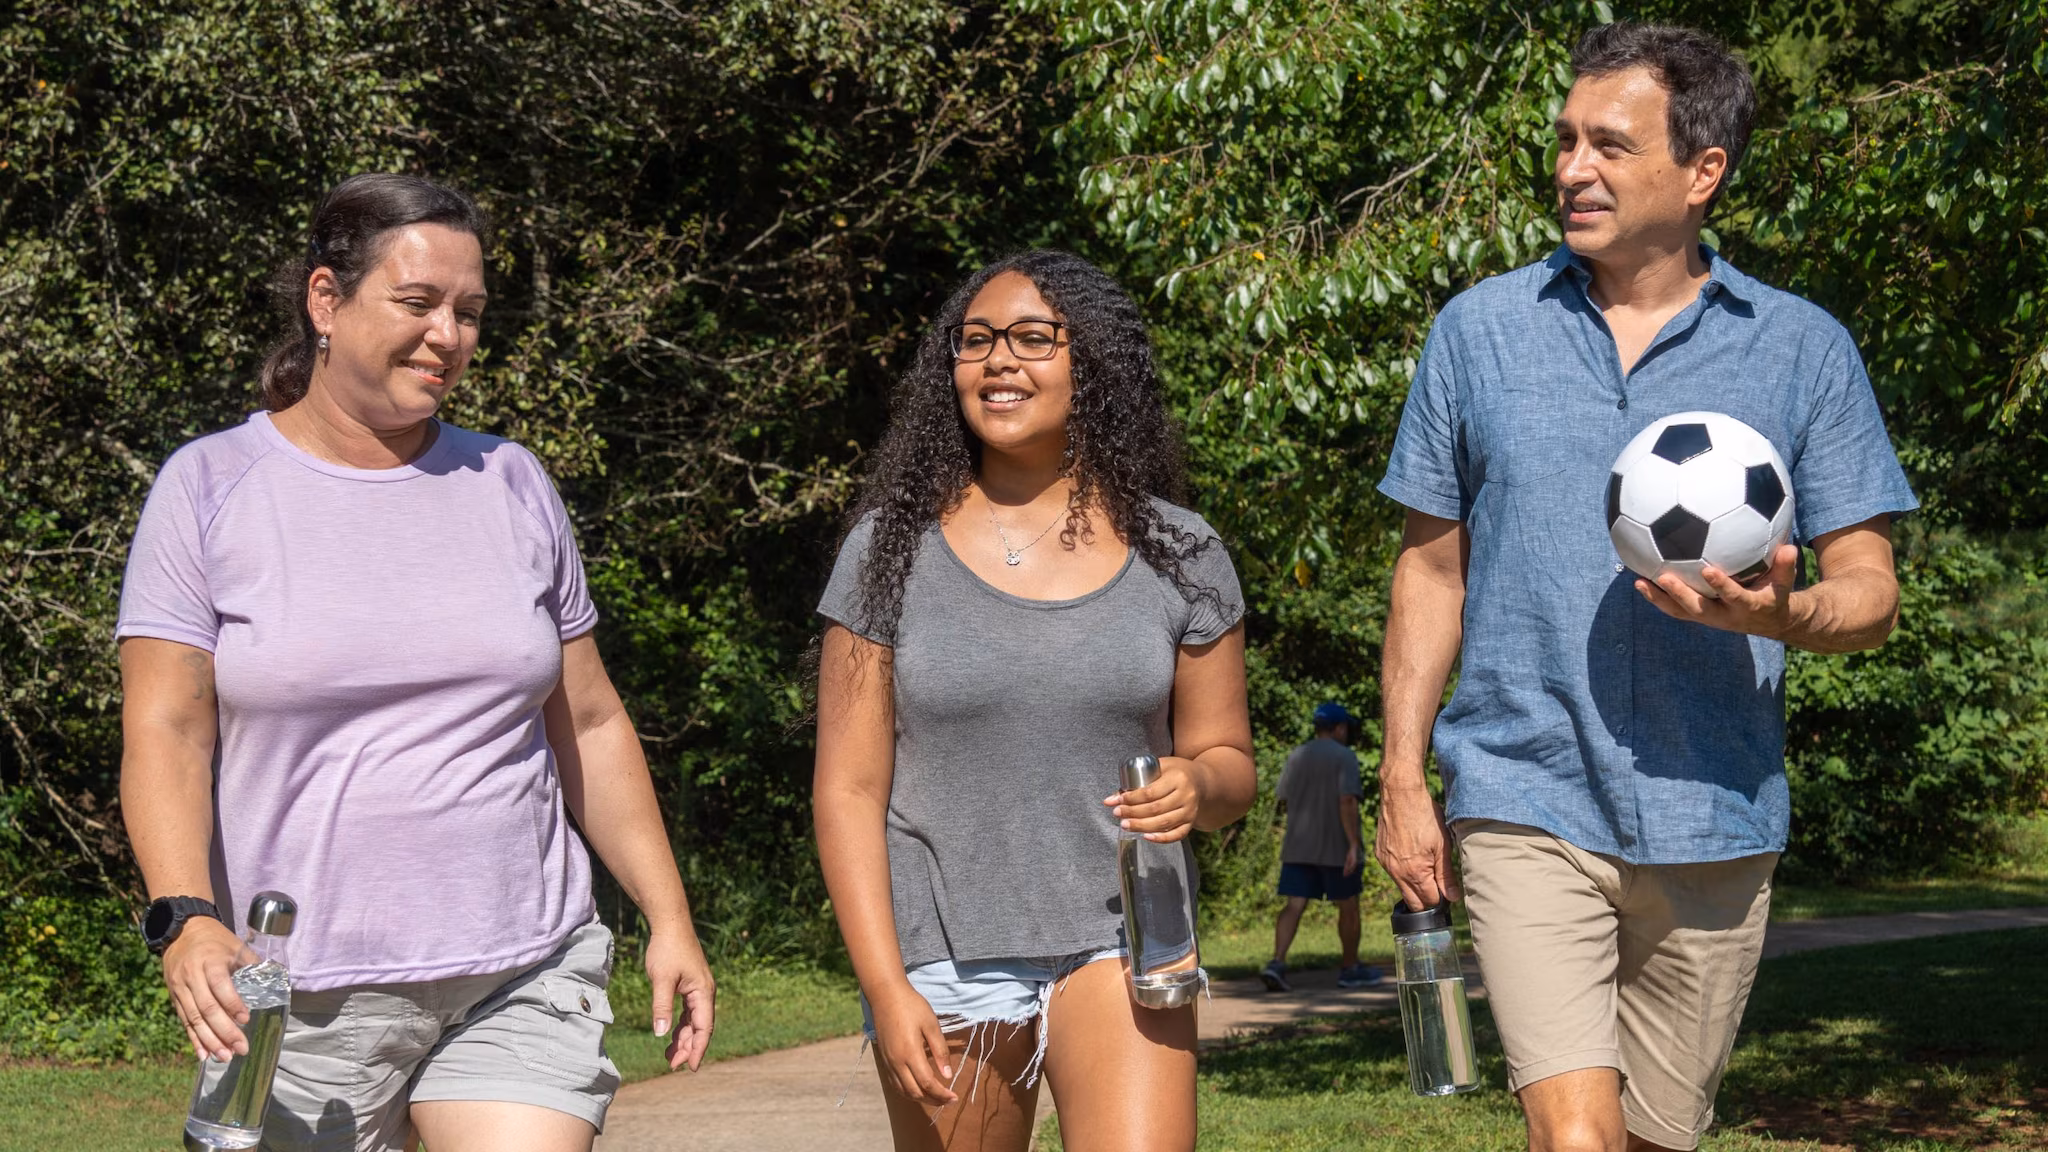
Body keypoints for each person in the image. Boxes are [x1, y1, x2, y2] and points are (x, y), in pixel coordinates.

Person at [1373, 23, 1916, 1152]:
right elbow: (1429, 569)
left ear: (1702, 170)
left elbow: (1869, 590)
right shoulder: (1477, 334)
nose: (1572, 168)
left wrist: (1784, 615)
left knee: (1650, 1140)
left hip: (1713, 812)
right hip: (1520, 791)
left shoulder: (1803, 350)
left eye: (1609, 146)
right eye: (1565, 140)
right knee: (1577, 1137)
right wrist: (1401, 773)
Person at [117, 173, 715, 1152]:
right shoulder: (210, 487)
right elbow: (168, 730)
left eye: (468, 312)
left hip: (523, 965)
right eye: (419, 303)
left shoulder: (510, 481)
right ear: (326, 300)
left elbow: (590, 719)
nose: (449, 336)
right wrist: (186, 916)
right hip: (295, 989)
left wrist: (669, 915)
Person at [812, 249, 1256, 1152]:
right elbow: (847, 790)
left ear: (1093, 363)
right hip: (945, 953)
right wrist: (888, 987)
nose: (997, 361)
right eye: (975, 341)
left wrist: (1198, 786)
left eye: (1030, 338)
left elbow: (1231, 765)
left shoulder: (1181, 551)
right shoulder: (886, 551)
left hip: (1125, 938)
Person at [1260, 702, 1379, 992]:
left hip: (1299, 845)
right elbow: (1347, 800)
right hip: (1336, 847)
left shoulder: (1297, 755)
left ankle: (1277, 962)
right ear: (1339, 728)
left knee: (1294, 905)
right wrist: (1353, 844)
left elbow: (1285, 797)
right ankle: (1349, 968)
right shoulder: (1345, 756)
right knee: (1348, 906)